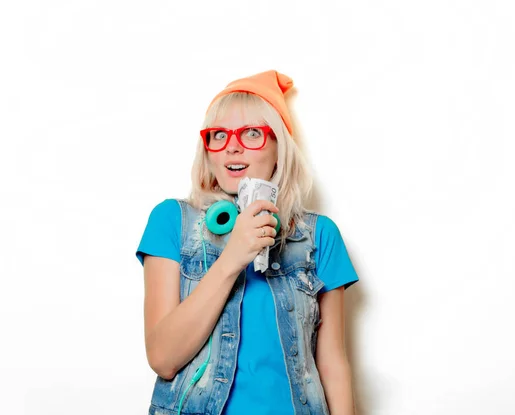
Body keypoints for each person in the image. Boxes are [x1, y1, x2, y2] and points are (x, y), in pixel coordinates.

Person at [136, 70, 359, 415]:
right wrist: (232, 258)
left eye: (252, 133)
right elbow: (163, 358)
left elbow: (333, 366)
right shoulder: (172, 222)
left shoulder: (319, 235)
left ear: (279, 147)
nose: (233, 146)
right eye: (219, 135)